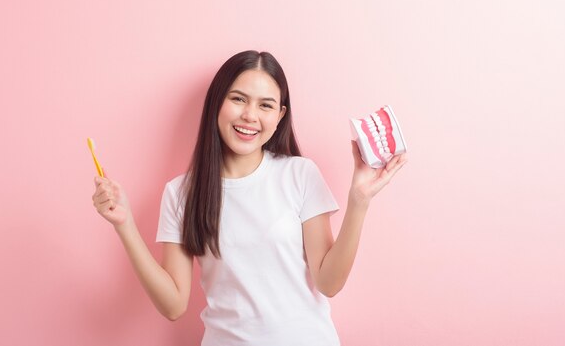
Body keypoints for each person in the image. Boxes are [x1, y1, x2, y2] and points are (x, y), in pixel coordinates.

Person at [91, 50, 408, 346]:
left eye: (265, 105)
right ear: (218, 102)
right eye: (238, 99)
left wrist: (359, 201)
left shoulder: (299, 174)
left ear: (280, 114)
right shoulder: (181, 193)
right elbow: (174, 304)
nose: (249, 116)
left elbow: (328, 282)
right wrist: (125, 225)